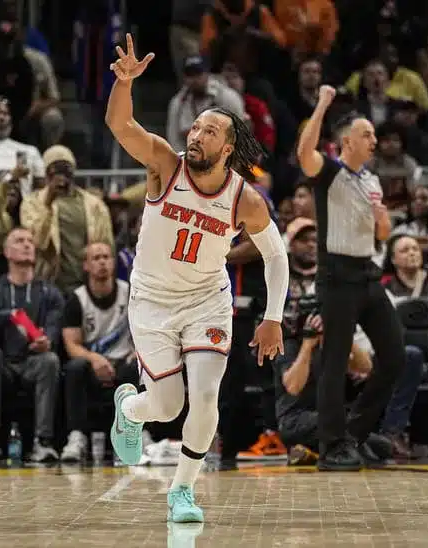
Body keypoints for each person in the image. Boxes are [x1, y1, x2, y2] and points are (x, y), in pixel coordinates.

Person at [105, 34, 289, 523]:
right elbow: (120, 124)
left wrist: (273, 317)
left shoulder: (245, 198)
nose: (197, 134)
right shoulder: (165, 164)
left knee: (206, 397)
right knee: (167, 407)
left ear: (228, 147)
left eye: (210, 131)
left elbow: (276, 256)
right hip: (152, 300)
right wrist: (124, 83)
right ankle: (130, 409)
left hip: (206, 300)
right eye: (196, 127)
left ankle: (182, 491)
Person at [296, 85, 406, 472]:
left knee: (394, 356)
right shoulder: (330, 173)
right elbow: (303, 152)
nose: (374, 140)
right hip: (337, 276)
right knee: (335, 359)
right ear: (347, 142)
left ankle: (354, 433)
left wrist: (381, 218)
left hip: (367, 273)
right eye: (367, 134)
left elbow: (383, 234)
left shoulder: (371, 180)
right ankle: (331, 447)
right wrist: (323, 103)